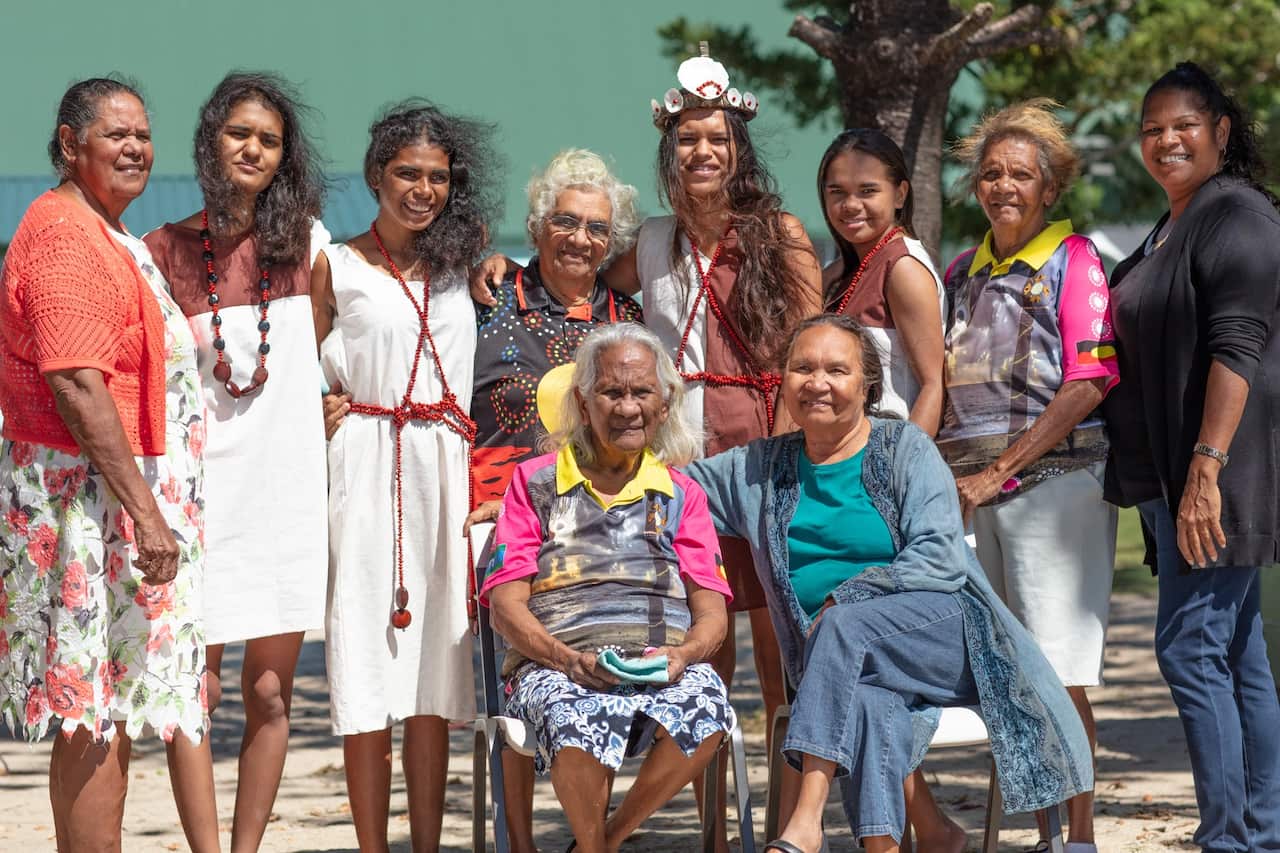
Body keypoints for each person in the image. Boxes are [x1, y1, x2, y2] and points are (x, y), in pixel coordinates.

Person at [687, 315, 1094, 853]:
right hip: (850, 662)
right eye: (802, 368)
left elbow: (940, 559)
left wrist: (851, 595)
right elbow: (667, 490)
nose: (818, 383)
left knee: (842, 624)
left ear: (867, 386)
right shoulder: (757, 469)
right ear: (782, 380)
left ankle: (806, 821)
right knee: (871, 703)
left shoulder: (905, 448)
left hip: (949, 638)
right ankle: (912, 840)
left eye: (837, 369)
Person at [0, 77, 215, 852]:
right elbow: (76, 381)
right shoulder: (64, 232)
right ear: (68, 144)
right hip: (91, 514)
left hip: (109, 508)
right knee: (92, 706)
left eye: (143, 135)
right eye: (114, 134)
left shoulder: (105, 229)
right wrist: (147, 513)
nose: (135, 147)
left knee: (101, 707)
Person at [142, 71, 328, 851]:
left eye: (269, 139)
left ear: (284, 157)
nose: (252, 148)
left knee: (271, 692)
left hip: (284, 496)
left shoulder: (310, 246)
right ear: (210, 138)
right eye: (239, 132)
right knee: (193, 690)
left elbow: (334, 356)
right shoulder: (160, 252)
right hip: (197, 499)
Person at [311, 100, 500, 852]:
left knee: (434, 675)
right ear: (375, 176)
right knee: (364, 665)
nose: (423, 189)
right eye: (407, 174)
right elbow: (299, 365)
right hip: (364, 463)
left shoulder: (466, 264)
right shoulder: (339, 264)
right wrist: (317, 408)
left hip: (445, 472)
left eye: (437, 177)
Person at [1102, 62, 1280, 853]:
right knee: (1239, 655)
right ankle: (1260, 831)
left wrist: (1205, 468)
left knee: (1187, 647)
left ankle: (1229, 837)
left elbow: (1237, 348)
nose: (1165, 139)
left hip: (1219, 473)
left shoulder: (1236, 213)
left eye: (1182, 125)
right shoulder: (1169, 225)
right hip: (1176, 478)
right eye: (1151, 128)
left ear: (1220, 132)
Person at [938, 99, 1121, 852]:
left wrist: (1001, 472)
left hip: (1055, 490)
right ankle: (1047, 830)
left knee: (1057, 667)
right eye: (990, 173)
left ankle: (1077, 835)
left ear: (1049, 189)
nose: (1003, 185)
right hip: (972, 493)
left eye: (1020, 174)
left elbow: (1092, 379)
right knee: (1010, 670)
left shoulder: (1073, 259)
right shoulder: (959, 269)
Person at [480, 322, 736, 853]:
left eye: (641, 392)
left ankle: (607, 839)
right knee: (577, 713)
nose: (626, 408)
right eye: (611, 392)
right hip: (555, 671)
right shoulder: (535, 483)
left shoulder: (682, 494)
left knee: (710, 705)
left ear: (664, 404)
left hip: (657, 670)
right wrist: (565, 659)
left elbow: (712, 613)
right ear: (583, 400)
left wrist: (682, 655)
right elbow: (506, 607)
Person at [817, 128, 944, 434]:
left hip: (885, 458)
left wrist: (907, 473)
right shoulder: (840, 271)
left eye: (867, 191)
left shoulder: (903, 268)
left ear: (900, 194)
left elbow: (932, 386)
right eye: (837, 192)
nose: (850, 204)